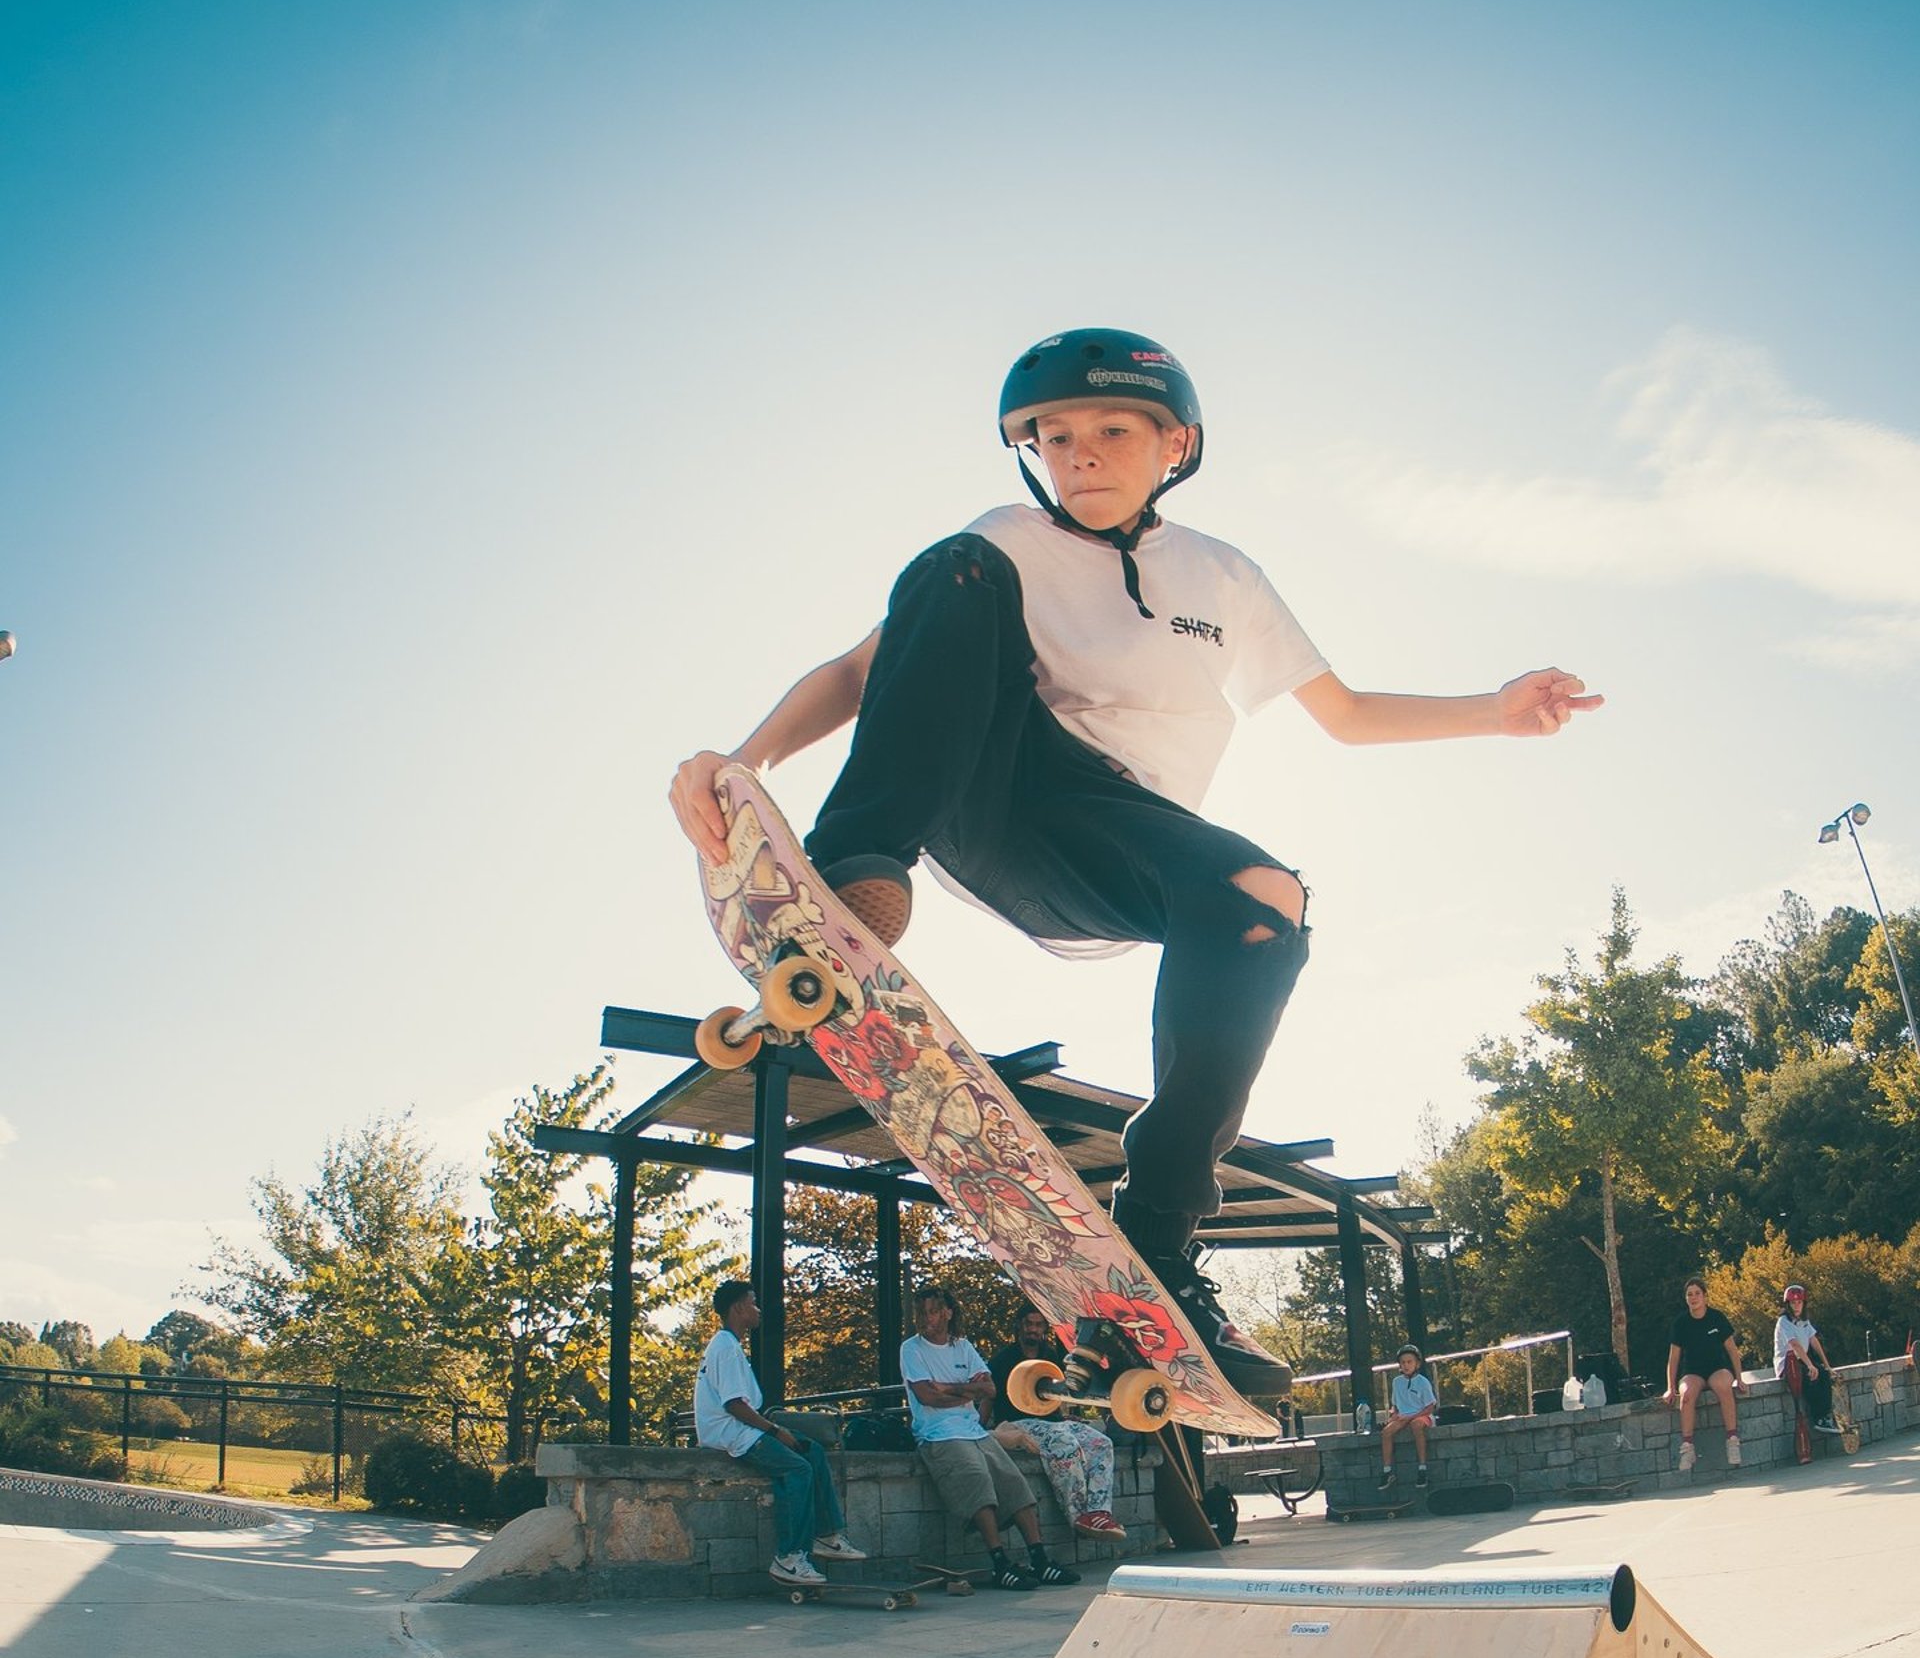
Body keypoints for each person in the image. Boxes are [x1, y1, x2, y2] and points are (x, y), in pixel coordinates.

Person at [671, 329, 1603, 1399]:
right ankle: (844, 884)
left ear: (1177, 443)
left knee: (1270, 901)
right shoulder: (1006, 542)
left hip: (1116, 844)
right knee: (954, 567)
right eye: (1056, 437)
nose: (1082, 456)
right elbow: (857, 673)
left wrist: (1495, 710)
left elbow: (1342, 715)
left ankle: (1158, 1235)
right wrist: (744, 768)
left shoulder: (1226, 576)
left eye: (1113, 432)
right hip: (985, 780)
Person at [900, 1286, 1076, 1591]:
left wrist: (947, 1388)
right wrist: (964, 1389)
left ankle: (1040, 1559)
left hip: (974, 1431)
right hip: (940, 1435)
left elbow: (990, 1389)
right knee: (978, 1484)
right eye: (921, 1312)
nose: (925, 1319)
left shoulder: (963, 1347)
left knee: (1014, 1484)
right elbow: (928, 1397)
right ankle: (1000, 1564)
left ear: (947, 1313)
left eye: (932, 1311)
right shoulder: (911, 1349)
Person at [693, 1279, 868, 1586]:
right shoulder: (727, 1348)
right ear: (738, 1309)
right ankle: (789, 1557)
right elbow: (734, 1405)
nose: (758, 1309)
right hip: (731, 1432)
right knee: (797, 1469)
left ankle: (825, 1535)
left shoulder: (727, 1345)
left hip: (740, 1428)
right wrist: (775, 1431)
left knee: (810, 1450)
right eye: (753, 1302)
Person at [987, 1299, 1127, 1539]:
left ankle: (1098, 1512)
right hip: (1017, 1422)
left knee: (1101, 1442)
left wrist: (1066, 1417)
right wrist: (982, 1429)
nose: (1033, 1329)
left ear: (1044, 1328)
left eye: (1039, 1325)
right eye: (1029, 1324)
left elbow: (1054, 1397)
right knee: (1064, 1442)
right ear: (1019, 1326)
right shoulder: (1003, 1359)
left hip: (1053, 1421)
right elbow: (989, 1398)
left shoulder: (1050, 1355)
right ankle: (1079, 1516)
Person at [1663, 1279, 1743, 1473]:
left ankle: (1732, 1441)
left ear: (1705, 1296)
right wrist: (1670, 1387)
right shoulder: (1681, 1323)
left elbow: (1732, 1351)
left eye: (1697, 1293)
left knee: (1724, 1387)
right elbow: (1673, 1359)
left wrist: (1740, 1379)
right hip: (1692, 1371)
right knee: (1687, 1394)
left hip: (1718, 1368)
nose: (1693, 1298)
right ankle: (1688, 1447)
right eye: (1689, 1294)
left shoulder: (1717, 1318)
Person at [1773, 1282, 1841, 1434]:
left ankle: (1825, 1416)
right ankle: (1819, 1418)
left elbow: (1814, 1341)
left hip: (1801, 1361)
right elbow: (1795, 1346)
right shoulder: (1783, 1322)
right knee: (1811, 1376)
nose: (1797, 1306)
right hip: (1788, 1364)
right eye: (1793, 1303)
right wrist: (1810, 1365)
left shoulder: (1804, 1321)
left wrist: (1827, 1365)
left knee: (1823, 1373)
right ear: (1787, 1305)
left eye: (1799, 1302)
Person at [1379, 1346, 1439, 1484]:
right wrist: (1393, 1415)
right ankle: (1387, 1471)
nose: (1406, 1365)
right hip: (1403, 1416)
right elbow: (1395, 1406)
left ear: (1417, 1363)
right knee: (1386, 1432)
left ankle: (1422, 1468)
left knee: (1416, 1425)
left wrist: (1411, 1417)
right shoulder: (1397, 1382)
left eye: (1409, 1362)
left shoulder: (1422, 1381)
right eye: (1403, 1362)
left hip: (1421, 1415)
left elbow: (1430, 1407)